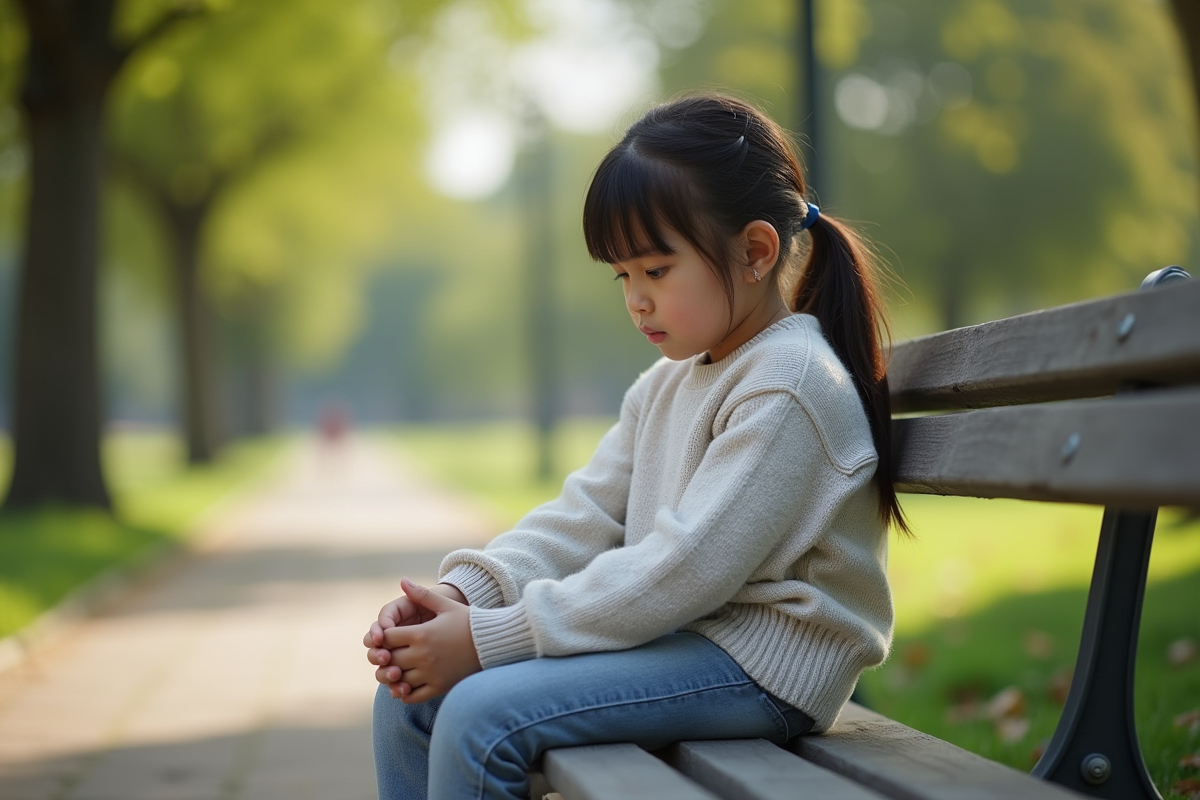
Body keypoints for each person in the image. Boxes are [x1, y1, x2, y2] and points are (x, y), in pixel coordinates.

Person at [365, 92, 905, 800]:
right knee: (411, 695)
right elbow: (583, 516)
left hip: (764, 669)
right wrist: (463, 592)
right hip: (691, 642)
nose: (636, 299)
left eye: (656, 270)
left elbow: (684, 568)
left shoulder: (788, 384)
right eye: (623, 275)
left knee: (478, 715)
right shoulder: (670, 381)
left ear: (754, 252)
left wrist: (491, 638)